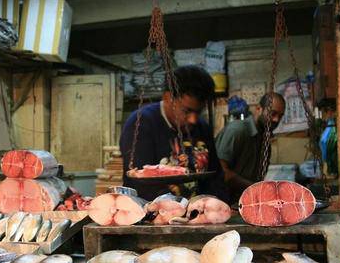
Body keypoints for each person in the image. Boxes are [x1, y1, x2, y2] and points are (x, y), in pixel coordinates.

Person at [119, 65, 228, 201]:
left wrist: (219, 206)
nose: (193, 120)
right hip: (154, 215)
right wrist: (179, 208)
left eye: (198, 112)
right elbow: (140, 184)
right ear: (167, 97)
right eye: (186, 111)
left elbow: (215, 178)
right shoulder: (140, 124)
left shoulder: (202, 127)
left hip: (200, 215)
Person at [215, 92, 286, 200]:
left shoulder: (264, 141)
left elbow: (259, 177)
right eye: (273, 113)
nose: (276, 120)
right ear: (258, 109)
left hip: (245, 202)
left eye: (280, 116)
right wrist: (254, 188)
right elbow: (221, 171)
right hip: (222, 202)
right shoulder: (237, 131)